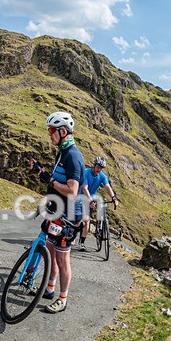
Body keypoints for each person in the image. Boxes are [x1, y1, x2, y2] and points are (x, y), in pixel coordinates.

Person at [29, 111, 85, 314]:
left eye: (51, 130)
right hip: (56, 212)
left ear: (63, 131)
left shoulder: (73, 156)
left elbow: (72, 190)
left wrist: (51, 182)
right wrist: (43, 173)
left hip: (68, 217)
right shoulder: (62, 151)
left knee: (62, 260)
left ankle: (63, 299)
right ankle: (50, 289)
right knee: (51, 253)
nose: (49, 134)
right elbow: (56, 179)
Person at [78, 156, 119, 251]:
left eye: (101, 168)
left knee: (87, 222)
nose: (99, 169)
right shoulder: (86, 172)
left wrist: (113, 198)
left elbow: (108, 187)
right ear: (94, 165)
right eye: (98, 167)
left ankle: (82, 242)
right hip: (80, 197)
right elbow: (84, 188)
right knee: (78, 221)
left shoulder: (102, 176)